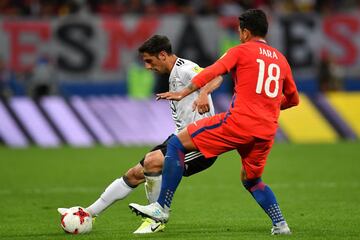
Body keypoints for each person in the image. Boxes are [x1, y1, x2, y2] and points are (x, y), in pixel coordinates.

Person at [129, 9, 299, 235]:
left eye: (239, 30)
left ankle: (161, 207)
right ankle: (281, 225)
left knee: (176, 144)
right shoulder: (281, 60)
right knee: (251, 179)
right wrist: (266, 107)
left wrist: (184, 92)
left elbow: (213, 71)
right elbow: (293, 98)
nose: (239, 34)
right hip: (266, 130)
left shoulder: (240, 51)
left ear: (246, 32)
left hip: (239, 123)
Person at [58, 35, 222, 234]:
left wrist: (204, 94)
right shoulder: (173, 74)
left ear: (163, 55)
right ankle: (88, 213)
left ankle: (156, 218)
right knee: (134, 174)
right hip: (182, 138)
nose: (147, 66)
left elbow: (215, 76)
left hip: (202, 143)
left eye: (149, 61)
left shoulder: (186, 69)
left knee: (152, 162)